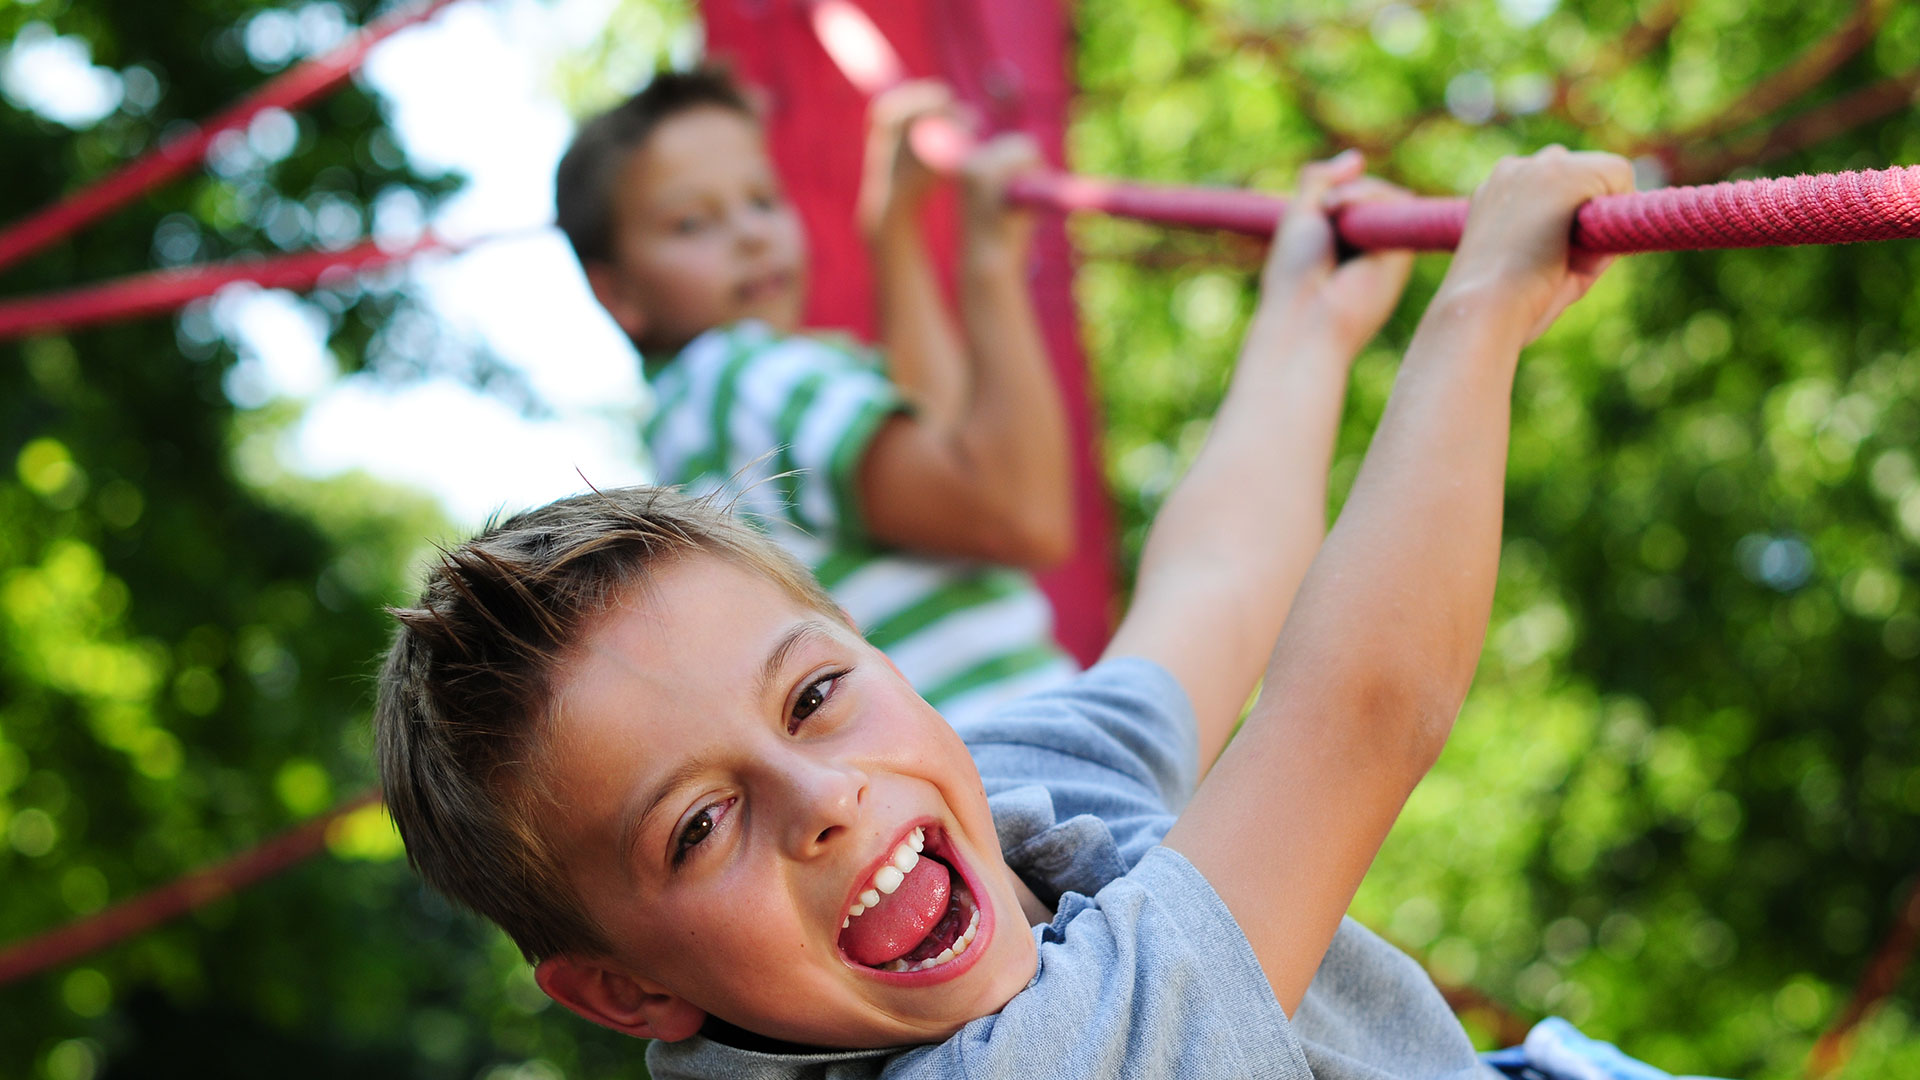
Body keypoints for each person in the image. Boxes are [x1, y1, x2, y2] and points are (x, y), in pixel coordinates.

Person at [378, 146, 1685, 1079]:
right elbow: (1359, 717)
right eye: (699, 826)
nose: (820, 793)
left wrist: (1307, 325)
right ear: (626, 991)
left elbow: (1213, 594)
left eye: (815, 696)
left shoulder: (1001, 800)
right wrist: (1481, 307)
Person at [553, 70, 1078, 723]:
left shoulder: (697, 421)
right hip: (1016, 734)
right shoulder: (740, 375)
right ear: (619, 293)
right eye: (692, 222)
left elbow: (940, 439)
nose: (750, 234)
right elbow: (1019, 513)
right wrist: (990, 265)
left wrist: (895, 233)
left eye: (763, 199)